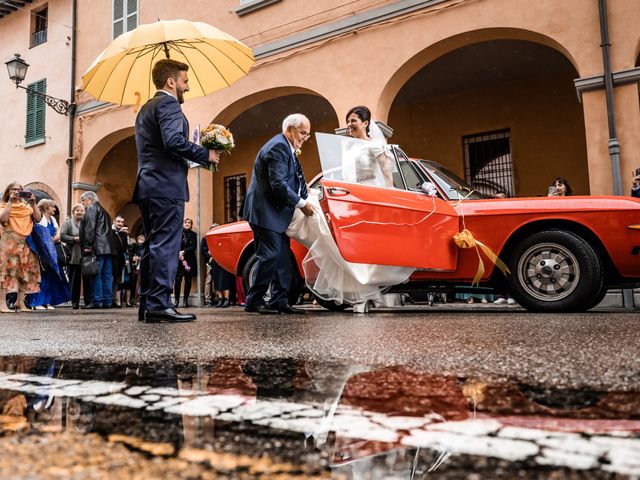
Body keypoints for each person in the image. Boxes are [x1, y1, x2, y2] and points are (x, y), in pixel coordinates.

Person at [133, 58, 219, 323]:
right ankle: (159, 304)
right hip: (165, 185)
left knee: (152, 244)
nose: (187, 87)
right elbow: (173, 141)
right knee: (165, 245)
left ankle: (148, 304)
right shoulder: (168, 103)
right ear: (171, 81)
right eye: (185, 81)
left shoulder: (146, 108)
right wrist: (206, 154)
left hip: (148, 184)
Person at [243, 113, 314, 315]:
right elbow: (278, 185)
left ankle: (279, 300)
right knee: (270, 255)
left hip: (276, 213)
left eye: (307, 134)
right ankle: (253, 300)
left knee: (282, 258)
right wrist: (301, 203)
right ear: (289, 129)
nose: (305, 138)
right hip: (265, 211)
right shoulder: (279, 146)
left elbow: (289, 179)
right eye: (302, 133)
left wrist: (303, 191)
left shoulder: (287, 147)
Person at [0, 183, 41, 313]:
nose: (17, 191)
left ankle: (20, 302)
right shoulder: (3, 205)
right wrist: (10, 202)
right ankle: (2, 304)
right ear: (8, 192)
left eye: (19, 189)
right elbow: (3, 219)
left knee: (26, 273)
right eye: (14, 189)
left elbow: (38, 219)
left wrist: (34, 204)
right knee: (6, 272)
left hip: (25, 243)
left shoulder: (26, 207)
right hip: (8, 242)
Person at [31, 199, 71, 310]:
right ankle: (37, 302)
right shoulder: (41, 219)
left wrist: (56, 236)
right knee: (43, 277)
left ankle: (48, 302)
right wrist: (51, 240)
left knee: (52, 276)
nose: (54, 209)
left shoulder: (53, 219)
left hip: (53, 250)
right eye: (52, 207)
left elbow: (58, 230)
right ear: (46, 208)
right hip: (44, 252)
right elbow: (40, 234)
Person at [79, 191, 116, 309]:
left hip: (97, 248)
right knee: (106, 276)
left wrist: (88, 246)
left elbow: (90, 228)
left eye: (83, 201)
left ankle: (97, 301)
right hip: (108, 249)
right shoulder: (105, 211)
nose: (83, 204)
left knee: (96, 275)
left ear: (89, 199)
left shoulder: (91, 208)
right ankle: (107, 301)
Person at [344, 105, 394, 188]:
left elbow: (385, 168)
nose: (349, 124)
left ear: (365, 123)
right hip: (352, 192)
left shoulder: (374, 144)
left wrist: (390, 188)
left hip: (370, 191)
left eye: (353, 121)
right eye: (348, 121)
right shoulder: (349, 149)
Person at [60, 203, 92, 309]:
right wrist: (74, 239)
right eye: (77, 210)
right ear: (73, 212)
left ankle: (88, 302)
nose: (79, 212)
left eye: (81, 210)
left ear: (85, 212)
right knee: (75, 281)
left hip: (86, 257)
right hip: (73, 256)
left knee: (87, 280)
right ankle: (75, 302)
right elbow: (62, 236)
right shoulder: (68, 223)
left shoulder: (88, 223)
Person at [174, 218, 198, 308]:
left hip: (189, 260)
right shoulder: (178, 234)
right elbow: (174, 244)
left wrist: (184, 252)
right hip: (178, 260)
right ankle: (176, 300)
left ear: (191, 225)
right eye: (186, 222)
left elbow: (193, 246)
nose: (187, 224)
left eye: (189, 223)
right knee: (178, 280)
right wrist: (179, 253)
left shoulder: (194, 235)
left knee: (188, 280)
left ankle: (185, 300)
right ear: (183, 224)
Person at [111, 215, 127, 308]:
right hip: (111, 259)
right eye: (118, 221)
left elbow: (124, 248)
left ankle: (114, 300)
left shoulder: (123, 234)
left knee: (117, 281)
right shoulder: (110, 232)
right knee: (110, 279)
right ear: (114, 221)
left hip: (120, 261)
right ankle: (109, 299)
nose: (120, 223)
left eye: (121, 222)